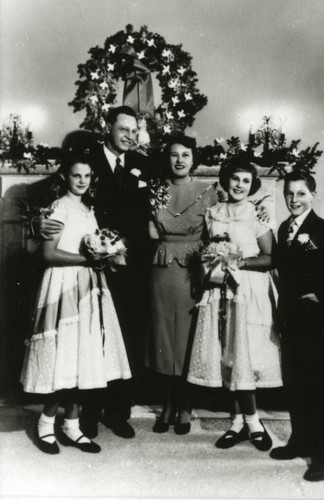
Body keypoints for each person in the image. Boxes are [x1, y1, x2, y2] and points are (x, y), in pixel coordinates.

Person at [35, 106, 151, 440]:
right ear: (108, 128)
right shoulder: (86, 161)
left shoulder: (142, 165)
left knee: (120, 339)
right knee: (85, 340)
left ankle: (117, 412)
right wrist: (36, 224)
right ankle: (84, 416)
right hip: (86, 266)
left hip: (126, 267)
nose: (129, 136)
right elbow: (51, 202)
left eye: (134, 130)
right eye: (123, 129)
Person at [20, 153, 132, 455]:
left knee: (82, 356)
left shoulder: (87, 209)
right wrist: (88, 259)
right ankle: (45, 423)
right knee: (64, 357)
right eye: (75, 176)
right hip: (64, 284)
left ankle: (72, 424)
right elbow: (48, 255)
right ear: (64, 178)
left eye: (86, 176)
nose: (81, 181)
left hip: (89, 286)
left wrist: (105, 257)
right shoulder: (59, 207)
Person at [270, 171, 324, 481]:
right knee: (295, 385)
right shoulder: (284, 229)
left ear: (313, 195)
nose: (294, 200)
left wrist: (322, 294)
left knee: (320, 388)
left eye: (301, 194)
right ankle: (300, 441)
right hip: (292, 320)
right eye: (290, 194)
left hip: (319, 324)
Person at [187, 156, 282, 450]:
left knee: (244, 354)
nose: (240, 185)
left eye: (246, 180)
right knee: (227, 354)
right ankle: (237, 422)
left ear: (251, 184)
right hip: (221, 289)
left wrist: (239, 261)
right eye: (235, 179)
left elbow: (270, 258)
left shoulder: (258, 215)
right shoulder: (213, 213)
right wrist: (213, 261)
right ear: (226, 180)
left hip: (248, 290)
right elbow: (207, 251)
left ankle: (253, 421)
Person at [145, 135, 218, 434]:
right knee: (163, 338)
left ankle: (185, 405)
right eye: (174, 155)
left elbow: (222, 227)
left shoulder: (209, 192)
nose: (179, 160)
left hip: (193, 269)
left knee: (189, 338)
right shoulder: (155, 190)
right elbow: (150, 233)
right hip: (161, 270)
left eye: (185, 155)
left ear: (193, 159)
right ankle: (167, 403)